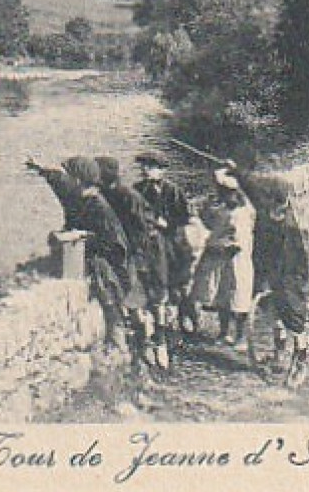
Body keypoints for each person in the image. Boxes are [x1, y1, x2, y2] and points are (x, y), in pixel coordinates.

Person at [26, 155, 133, 347]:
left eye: (69, 176)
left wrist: (83, 235)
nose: (65, 179)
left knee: (109, 300)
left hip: (110, 264)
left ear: (77, 180)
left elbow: (115, 246)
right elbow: (58, 181)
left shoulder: (100, 208)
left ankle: (119, 344)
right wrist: (41, 169)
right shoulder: (78, 195)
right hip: (89, 256)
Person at [95, 156, 169, 369]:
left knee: (156, 299)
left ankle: (160, 343)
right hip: (129, 253)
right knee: (134, 300)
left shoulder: (127, 195)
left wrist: (138, 252)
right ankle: (144, 345)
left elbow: (146, 226)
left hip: (147, 252)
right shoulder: (107, 193)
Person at [244, 173, 309, 386]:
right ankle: (279, 354)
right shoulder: (266, 218)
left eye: (278, 204)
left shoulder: (289, 229)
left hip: (289, 277)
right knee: (273, 314)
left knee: (293, 320)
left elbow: (294, 263)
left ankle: (300, 360)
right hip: (270, 274)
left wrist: (288, 285)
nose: (275, 209)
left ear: (283, 204)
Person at [134, 152, 206, 337]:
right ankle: (161, 324)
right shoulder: (137, 189)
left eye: (150, 167)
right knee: (156, 282)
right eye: (144, 166)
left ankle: (189, 317)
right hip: (151, 242)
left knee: (179, 285)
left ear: (162, 170)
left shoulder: (173, 191)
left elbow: (185, 217)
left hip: (173, 242)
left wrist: (167, 223)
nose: (145, 170)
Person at [191, 167, 257, 347]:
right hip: (220, 260)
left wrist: (217, 247)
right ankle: (224, 332)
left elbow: (237, 244)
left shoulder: (243, 213)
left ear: (235, 194)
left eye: (227, 193)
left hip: (236, 261)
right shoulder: (221, 210)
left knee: (239, 298)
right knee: (222, 298)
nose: (224, 197)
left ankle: (241, 337)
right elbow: (209, 223)